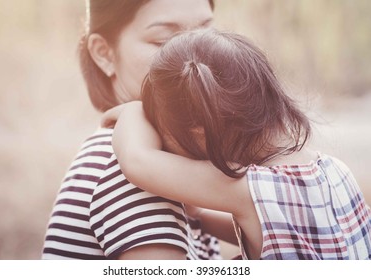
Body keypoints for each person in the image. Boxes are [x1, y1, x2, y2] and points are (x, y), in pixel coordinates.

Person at [107, 29, 371, 260]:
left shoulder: (247, 188)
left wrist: (132, 111)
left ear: (199, 127)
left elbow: (137, 161)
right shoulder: (336, 171)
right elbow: (288, 235)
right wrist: (199, 216)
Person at [42, 0, 237, 260]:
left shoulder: (164, 162)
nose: (199, 57)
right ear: (104, 53)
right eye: (164, 40)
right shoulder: (128, 167)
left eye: (206, 33)